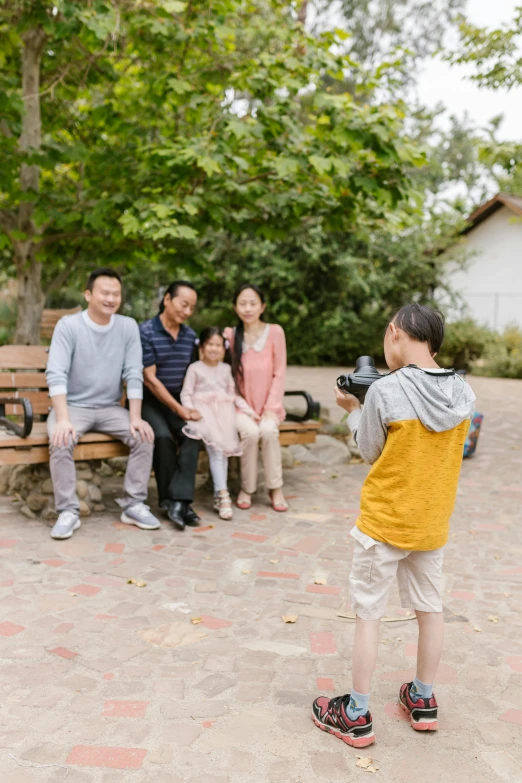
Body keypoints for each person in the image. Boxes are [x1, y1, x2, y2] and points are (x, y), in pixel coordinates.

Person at [312, 303, 475, 748]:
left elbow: (369, 451)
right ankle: (423, 700)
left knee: (369, 613)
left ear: (393, 332)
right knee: (430, 609)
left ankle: (356, 713)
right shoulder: (463, 392)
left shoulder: (386, 390)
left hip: (384, 523)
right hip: (431, 522)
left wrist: (352, 408)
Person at [45, 268, 160, 540]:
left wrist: (135, 417)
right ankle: (68, 510)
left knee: (144, 436)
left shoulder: (127, 326)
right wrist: (62, 418)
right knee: (60, 440)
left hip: (109, 408)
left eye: (116, 294)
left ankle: (133, 504)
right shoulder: (69, 326)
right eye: (104, 293)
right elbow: (56, 372)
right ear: (88, 295)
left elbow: (133, 372)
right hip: (72, 406)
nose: (111, 298)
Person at [140, 280, 201, 531]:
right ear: (167, 300)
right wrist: (179, 409)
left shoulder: (190, 336)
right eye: (183, 304)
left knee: (192, 434)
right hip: (148, 399)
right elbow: (150, 380)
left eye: (192, 308)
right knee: (163, 437)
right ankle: (168, 500)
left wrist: (188, 406)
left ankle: (180, 501)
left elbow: (194, 374)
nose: (187, 312)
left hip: (179, 398)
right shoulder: (145, 332)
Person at [180, 327, 260, 520]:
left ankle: (219, 493)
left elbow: (233, 396)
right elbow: (186, 393)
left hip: (224, 416)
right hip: (203, 416)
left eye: (218, 345)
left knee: (222, 453)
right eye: (210, 345)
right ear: (202, 347)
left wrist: (250, 412)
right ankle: (223, 496)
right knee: (216, 452)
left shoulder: (225, 370)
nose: (214, 349)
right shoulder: (195, 368)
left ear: (224, 349)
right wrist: (190, 410)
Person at [224, 284, 288, 512]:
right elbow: (225, 375)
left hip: (269, 406)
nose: (247, 308)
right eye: (242, 303)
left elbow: (279, 372)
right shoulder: (230, 335)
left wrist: (271, 407)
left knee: (268, 431)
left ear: (262, 306)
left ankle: (275, 488)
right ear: (235, 307)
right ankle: (247, 488)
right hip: (239, 407)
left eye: (253, 303)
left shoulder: (275, 332)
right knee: (250, 433)